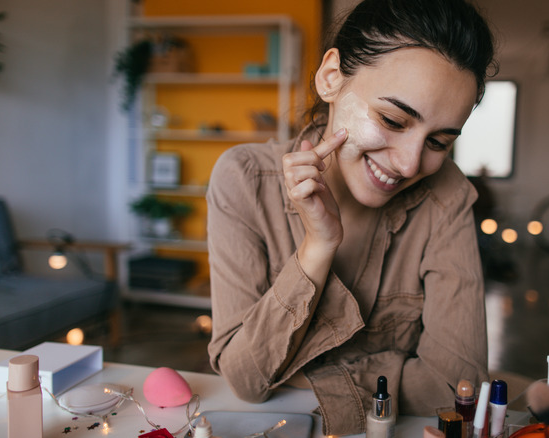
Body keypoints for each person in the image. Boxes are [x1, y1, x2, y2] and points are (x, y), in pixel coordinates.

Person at [206, 0, 497, 435]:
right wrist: (317, 247)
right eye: (393, 119)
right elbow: (246, 381)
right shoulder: (244, 179)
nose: (409, 163)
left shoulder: (447, 195)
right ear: (330, 78)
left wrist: (291, 374)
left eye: (438, 141)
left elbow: (453, 387)